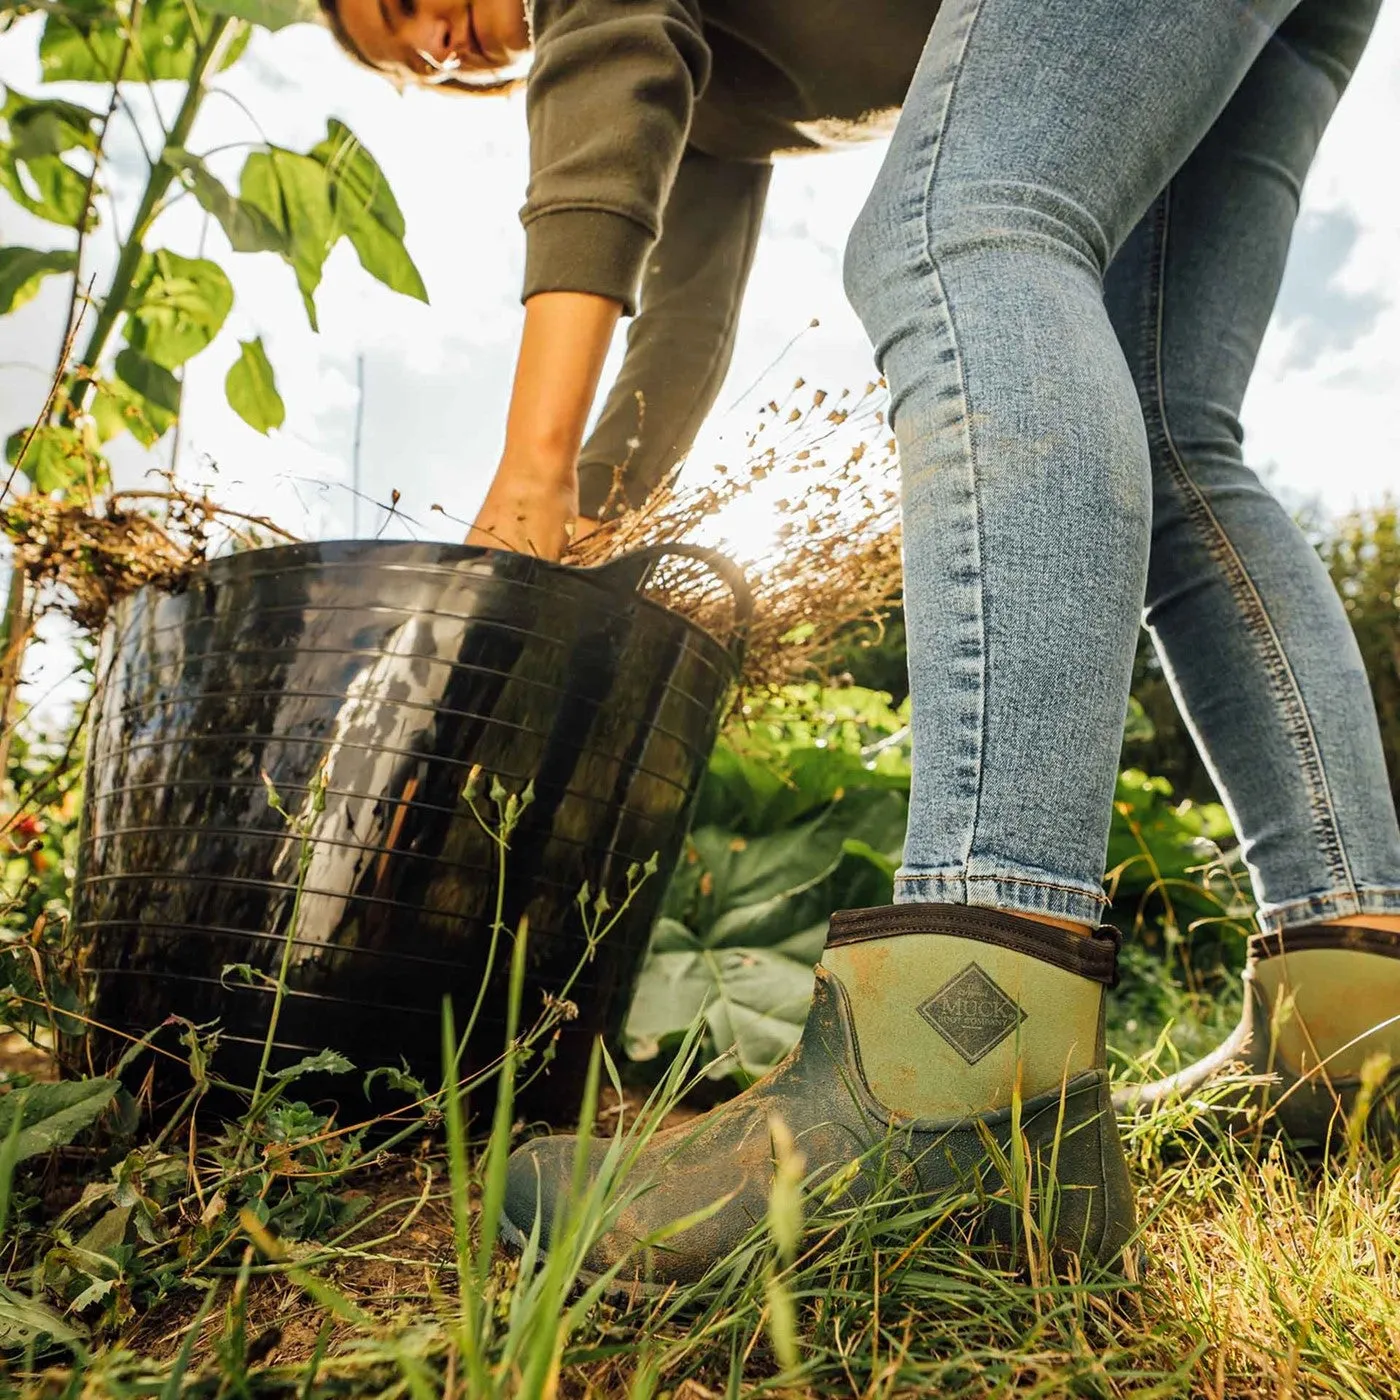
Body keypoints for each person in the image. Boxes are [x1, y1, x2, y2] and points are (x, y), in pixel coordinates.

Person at [323, 0, 1400, 1286]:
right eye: (415, 60)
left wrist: (528, 472)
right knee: (1169, 424)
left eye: (403, 6)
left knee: (958, 227)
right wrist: (577, 546)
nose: (442, 44)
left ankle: (960, 1059)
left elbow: (599, 68)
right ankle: (1351, 1031)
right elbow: (680, 330)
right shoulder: (721, 81)